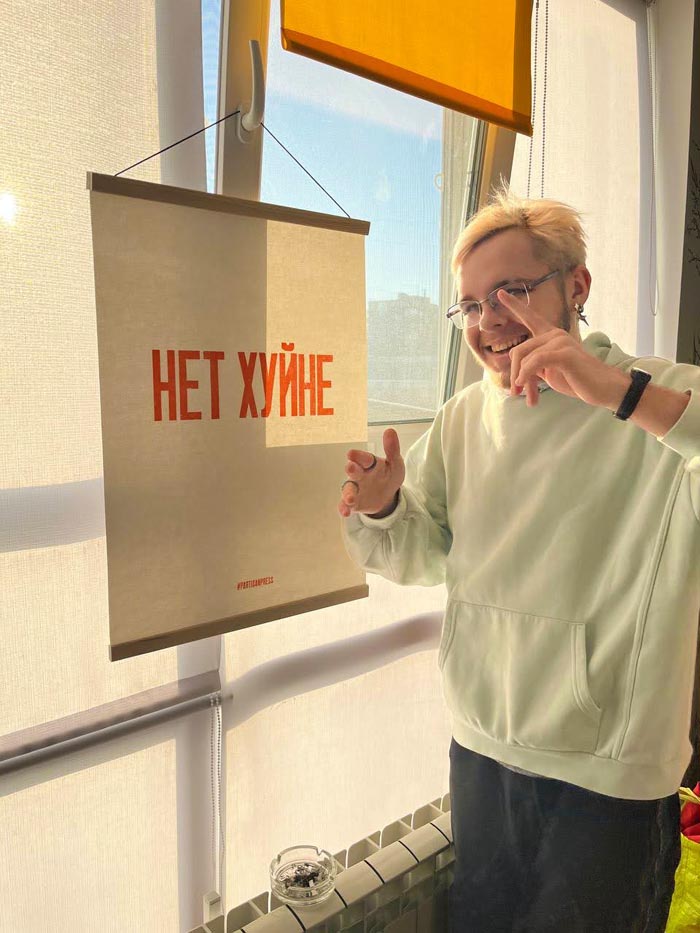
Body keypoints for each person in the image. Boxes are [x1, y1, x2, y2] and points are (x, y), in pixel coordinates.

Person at [338, 183, 700, 932]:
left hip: (608, 780)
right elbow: (426, 553)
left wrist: (617, 393)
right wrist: (383, 507)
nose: (488, 319)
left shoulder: (659, 395)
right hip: (481, 753)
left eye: (511, 290)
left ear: (576, 286)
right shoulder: (463, 417)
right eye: (471, 304)